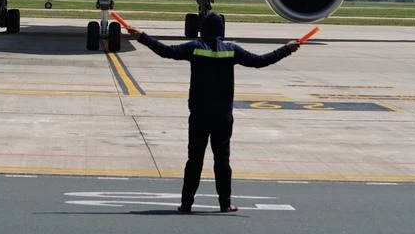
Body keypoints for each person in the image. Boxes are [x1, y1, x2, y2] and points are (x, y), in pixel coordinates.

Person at [127, 12, 300, 214]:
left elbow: (166, 51)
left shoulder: (194, 48)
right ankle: (225, 203)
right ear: (222, 30)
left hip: (199, 113)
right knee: (222, 160)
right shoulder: (231, 50)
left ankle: (186, 204)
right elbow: (260, 61)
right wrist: (286, 49)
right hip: (222, 115)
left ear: (202, 28)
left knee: (194, 160)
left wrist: (142, 37)